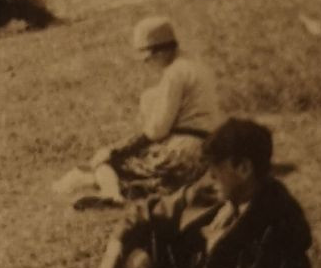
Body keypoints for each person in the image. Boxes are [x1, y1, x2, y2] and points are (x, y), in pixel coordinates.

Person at [6, 118, 312, 268]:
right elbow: (141, 215)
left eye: (216, 168)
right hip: (150, 266)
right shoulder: (213, 191)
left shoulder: (284, 218)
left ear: (243, 168)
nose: (210, 176)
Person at [59, 15, 220, 209]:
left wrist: (116, 150)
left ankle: (112, 197)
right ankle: (141, 191)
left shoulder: (174, 74)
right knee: (151, 181)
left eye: (148, 58)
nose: (147, 64)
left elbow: (157, 130)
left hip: (180, 150)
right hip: (205, 154)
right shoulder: (197, 66)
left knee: (106, 164)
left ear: (160, 52)